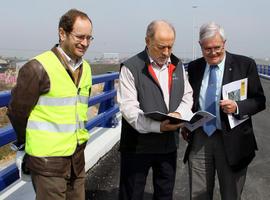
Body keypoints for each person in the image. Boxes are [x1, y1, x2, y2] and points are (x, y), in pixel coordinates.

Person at [7, 9, 93, 200]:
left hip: (76, 159)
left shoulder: (86, 68)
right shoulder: (38, 67)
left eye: (89, 38)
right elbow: (17, 112)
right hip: (48, 163)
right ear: (62, 33)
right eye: (80, 36)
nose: (85, 43)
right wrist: (27, 143)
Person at [181, 22, 266, 200]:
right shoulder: (195, 67)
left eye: (217, 47)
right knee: (198, 194)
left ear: (225, 43)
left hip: (233, 138)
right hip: (201, 137)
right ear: (200, 46)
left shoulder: (244, 65)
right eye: (207, 49)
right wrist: (186, 122)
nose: (213, 53)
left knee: (230, 194)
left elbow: (259, 100)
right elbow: (190, 100)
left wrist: (237, 107)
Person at [117, 20, 193, 200]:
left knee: (165, 194)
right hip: (137, 147)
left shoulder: (178, 65)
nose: (166, 53)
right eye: (161, 47)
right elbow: (129, 109)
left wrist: (179, 114)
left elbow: (187, 95)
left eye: (170, 47)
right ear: (147, 41)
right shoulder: (131, 67)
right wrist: (157, 127)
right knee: (132, 194)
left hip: (168, 146)